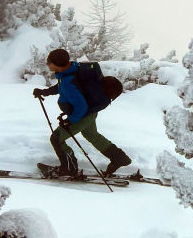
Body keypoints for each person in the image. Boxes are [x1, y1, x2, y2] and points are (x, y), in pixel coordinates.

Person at [32, 48, 132, 178]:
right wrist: (44, 92)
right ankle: (119, 158)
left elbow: (81, 106)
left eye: (49, 62)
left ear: (57, 64)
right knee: (91, 135)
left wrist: (70, 121)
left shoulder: (68, 80)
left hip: (82, 116)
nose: (47, 64)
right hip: (90, 113)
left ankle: (68, 168)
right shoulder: (71, 70)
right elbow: (61, 86)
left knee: (56, 139)